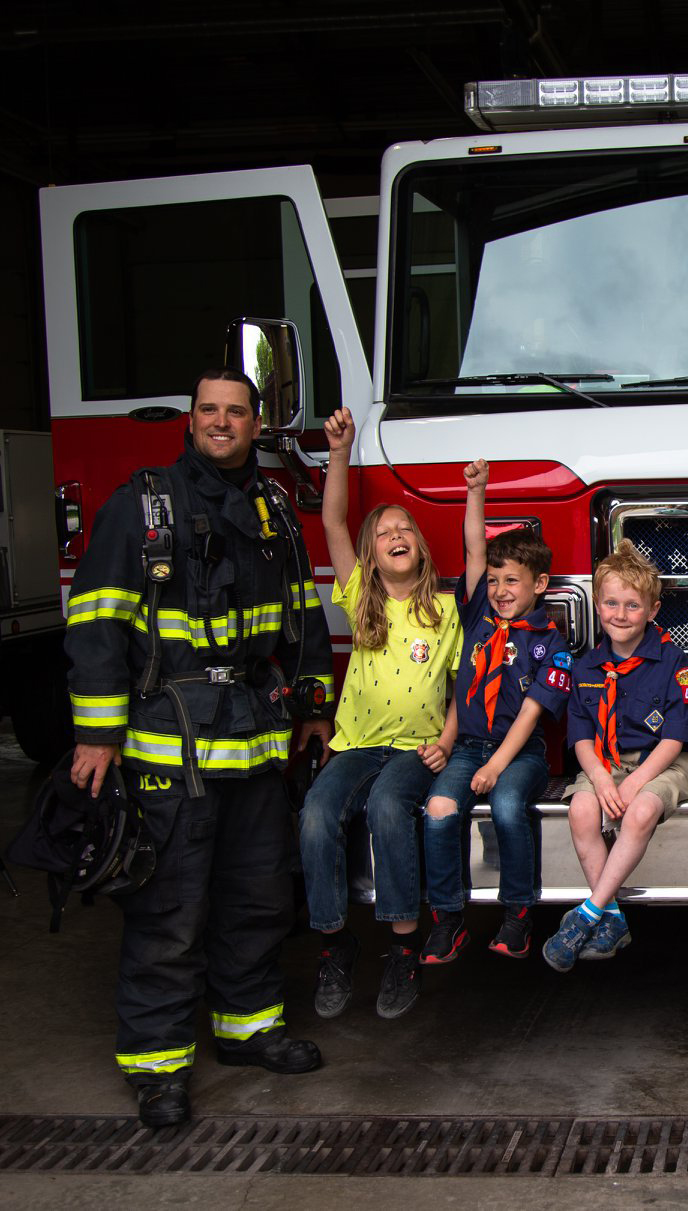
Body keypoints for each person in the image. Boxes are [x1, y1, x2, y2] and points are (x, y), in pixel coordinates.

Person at [64, 368, 334, 1128]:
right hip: (167, 743)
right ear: (190, 422)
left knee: (258, 893)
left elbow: (301, 614)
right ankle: (157, 1065)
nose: (221, 423)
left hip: (253, 739)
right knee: (169, 908)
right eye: (208, 411)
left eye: (236, 413)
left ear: (257, 426)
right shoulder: (142, 505)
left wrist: (312, 704)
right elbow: (94, 619)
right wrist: (95, 733)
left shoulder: (273, 508)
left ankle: (248, 1028)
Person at [298, 406, 462, 1021]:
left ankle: (401, 951)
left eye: (408, 529)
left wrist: (445, 744)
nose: (398, 535)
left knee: (390, 808)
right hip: (355, 745)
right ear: (371, 552)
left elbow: (462, 693)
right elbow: (333, 521)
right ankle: (335, 943)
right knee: (317, 813)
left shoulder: (445, 610)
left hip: (415, 748)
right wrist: (340, 451)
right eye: (386, 531)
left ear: (421, 547)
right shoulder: (360, 597)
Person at [420, 459, 570, 964]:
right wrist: (476, 492)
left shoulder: (552, 644)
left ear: (540, 584)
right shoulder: (480, 615)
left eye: (513, 581)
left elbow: (530, 715)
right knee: (439, 810)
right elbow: (473, 548)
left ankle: (518, 914)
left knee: (508, 808)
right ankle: (447, 919)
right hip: (466, 748)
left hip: (518, 754)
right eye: (495, 581)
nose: (501, 590)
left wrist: (495, 766)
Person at [541, 540, 688, 970]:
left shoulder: (673, 661)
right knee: (580, 812)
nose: (620, 614)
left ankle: (588, 912)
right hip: (605, 762)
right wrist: (599, 779)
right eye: (611, 603)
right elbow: (580, 736)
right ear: (597, 605)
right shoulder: (586, 668)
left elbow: (675, 737)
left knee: (637, 813)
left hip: (661, 762)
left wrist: (634, 783)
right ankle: (612, 917)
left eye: (632, 606)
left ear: (653, 610)